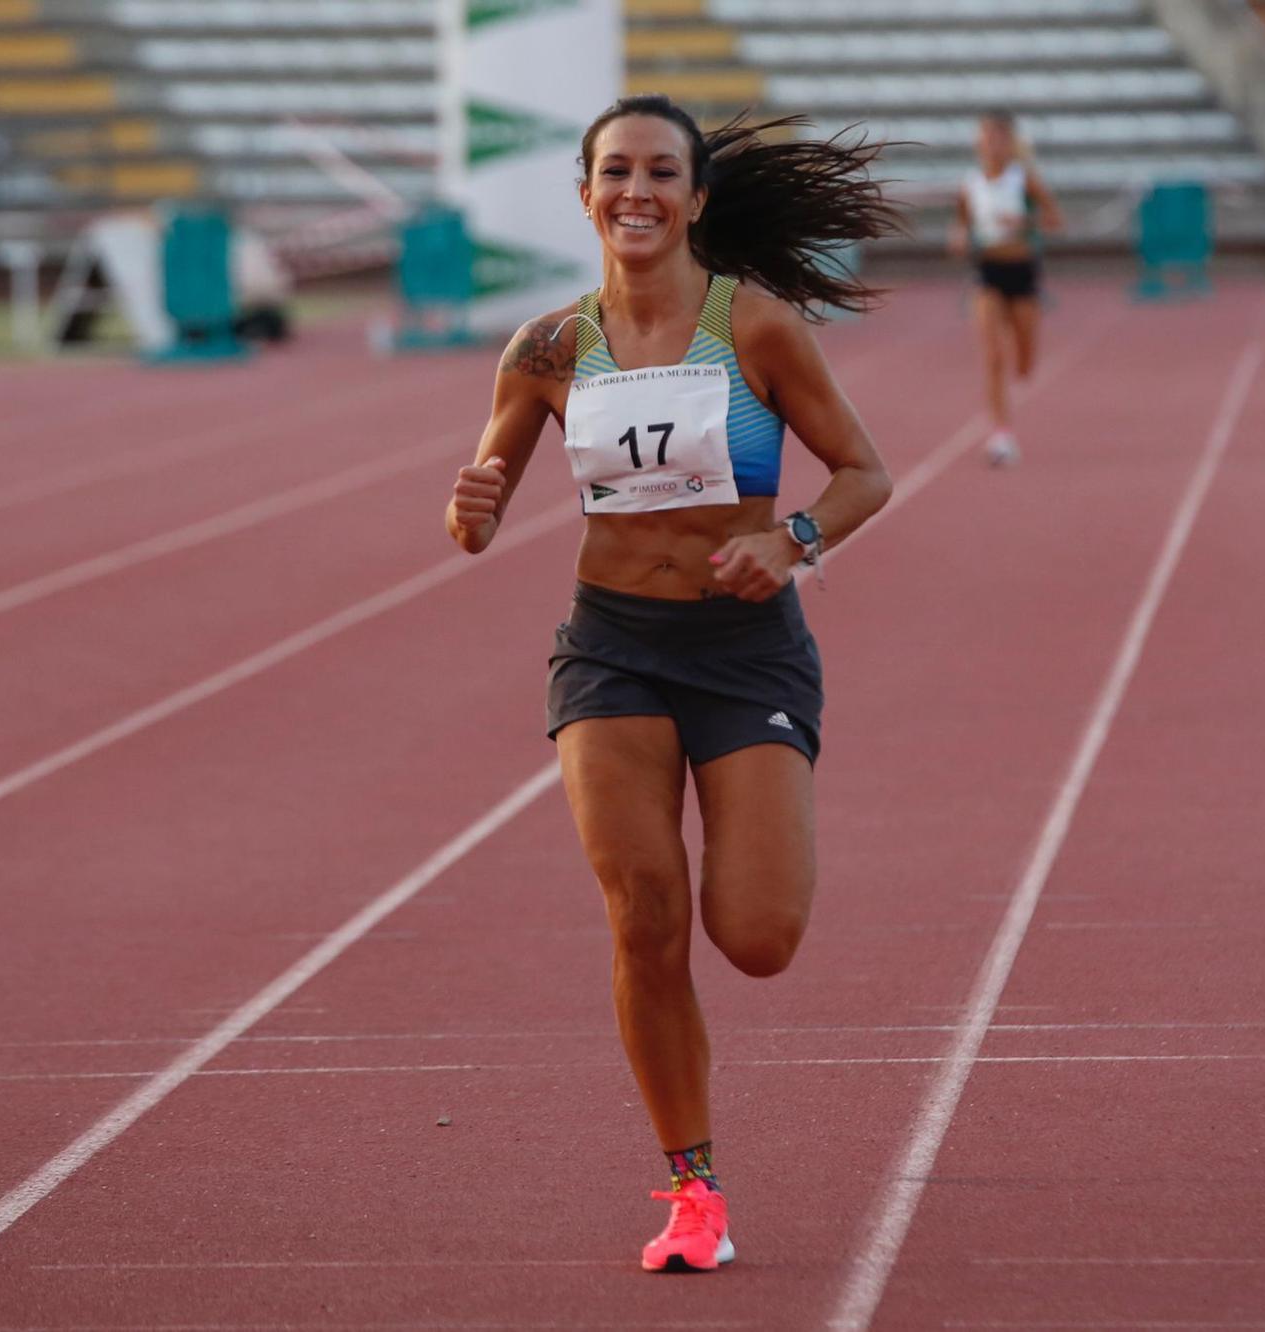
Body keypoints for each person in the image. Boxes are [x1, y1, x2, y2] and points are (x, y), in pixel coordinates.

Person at [444, 94, 898, 1273]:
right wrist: (470, 506)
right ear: (584, 195)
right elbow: (480, 496)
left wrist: (790, 537)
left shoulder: (753, 327)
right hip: (611, 646)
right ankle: (690, 1189)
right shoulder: (547, 348)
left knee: (754, 937)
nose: (633, 191)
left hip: (743, 650)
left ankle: (768, 819)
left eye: (658, 172)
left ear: (695, 198)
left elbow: (863, 472)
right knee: (643, 914)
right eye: (613, 172)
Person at [950, 110, 1063, 466]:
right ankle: (1001, 434)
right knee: (993, 356)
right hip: (987, 270)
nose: (992, 144)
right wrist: (959, 237)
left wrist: (1025, 220)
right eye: (986, 136)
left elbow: (1054, 219)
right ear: (978, 142)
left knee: (1025, 362)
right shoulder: (970, 183)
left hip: (1022, 271)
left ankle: (1022, 370)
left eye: (999, 137)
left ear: (1010, 142)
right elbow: (963, 225)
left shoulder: (1023, 178)